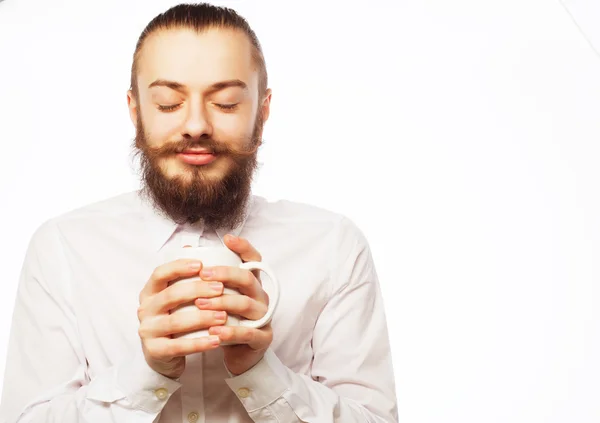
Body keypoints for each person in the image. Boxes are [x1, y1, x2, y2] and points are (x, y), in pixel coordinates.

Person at [0, 3, 398, 422]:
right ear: (136, 112)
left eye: (226, 103)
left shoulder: (333, 247)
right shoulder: (63, 248)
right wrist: (146, 373)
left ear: (262, 111)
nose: (195, 125)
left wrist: (262, 372)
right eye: (169, 103)